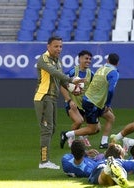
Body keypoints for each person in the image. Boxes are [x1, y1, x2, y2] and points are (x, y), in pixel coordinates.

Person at [34, 36, 84, 169]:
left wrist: (72, 90)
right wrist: (72, 80)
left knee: (52, 128)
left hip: (52, 98)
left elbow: (61, 80)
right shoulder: (43, 59)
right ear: (48, 46)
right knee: (47, 130)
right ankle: (44, 162)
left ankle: (45, 160)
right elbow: (54, 73)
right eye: (56, 46)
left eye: (60, 46)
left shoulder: (57, 61)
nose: (59, 49)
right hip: (44, 97)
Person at [60, 53, 120, 149]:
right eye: (86, 58)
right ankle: (68, 135)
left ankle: (100, 142)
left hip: (89, 102)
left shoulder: (96, 71)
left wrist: (104, 103)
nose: (88, 61)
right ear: (79, 59)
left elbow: (96, 87)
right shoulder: (73, 72)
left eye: (89, 59)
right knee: (83, 124)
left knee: (107, 120)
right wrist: (69, 100)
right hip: (83, 103)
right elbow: (62, 84)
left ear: (107, 60)